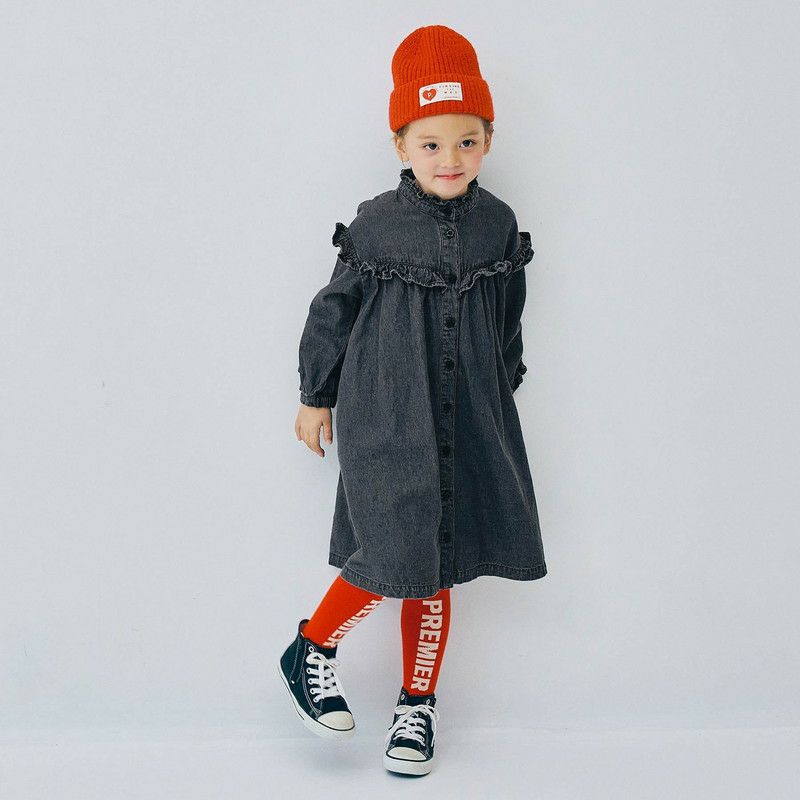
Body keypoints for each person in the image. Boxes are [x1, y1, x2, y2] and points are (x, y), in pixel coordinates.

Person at [278, 24, 547, 776]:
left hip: (469, 415)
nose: (449, 158)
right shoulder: (375, 224)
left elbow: (508, 315)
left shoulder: (497, 225)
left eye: (466, 141)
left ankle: (417, 706)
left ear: (488, 140)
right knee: (396, 548)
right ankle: (312, 647)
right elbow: (332, 311)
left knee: (441, 560)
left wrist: (502, 384)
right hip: (387, 412)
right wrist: (315, 394)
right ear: (400, 144)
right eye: (430, 143)